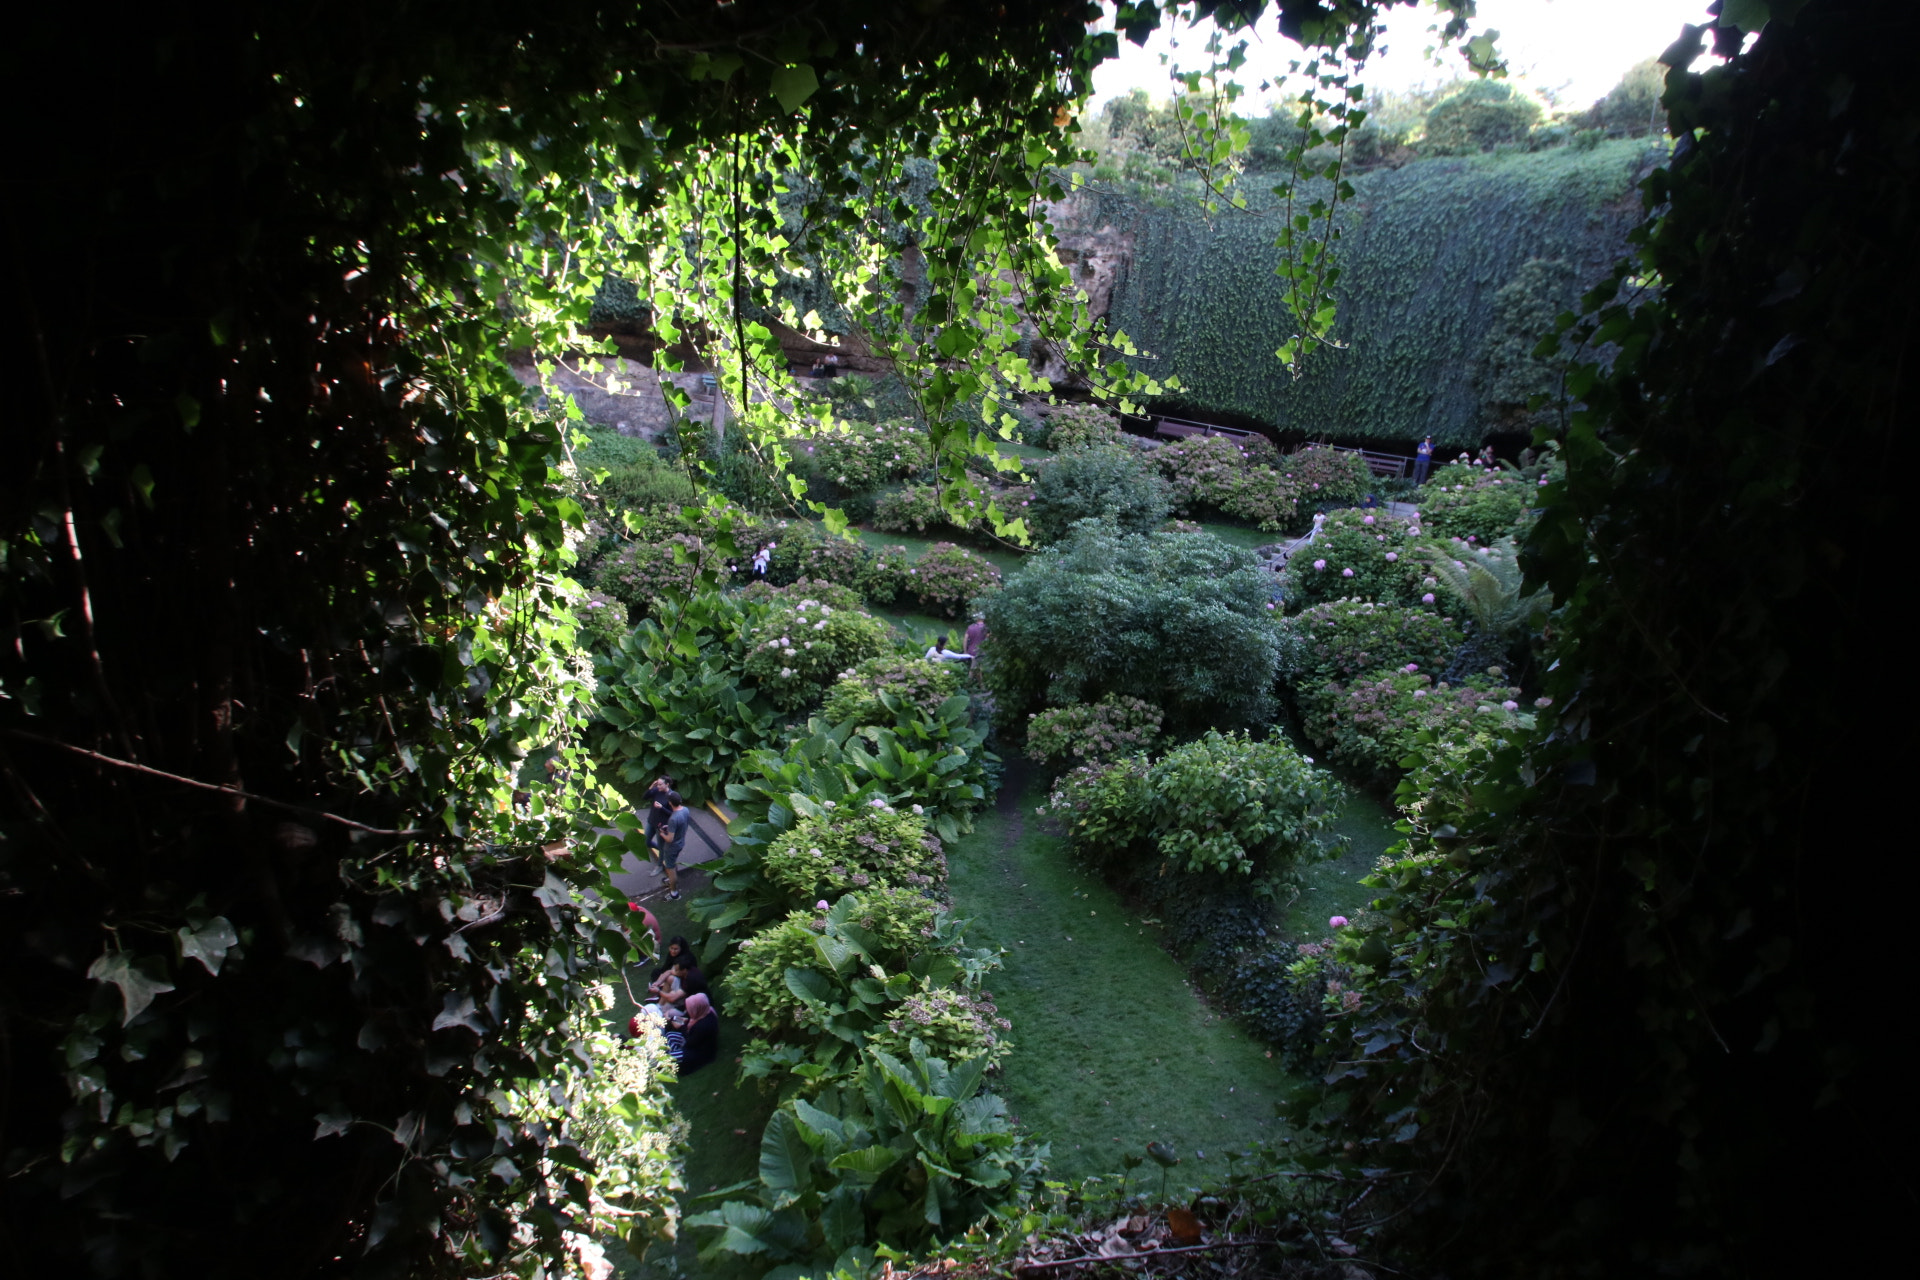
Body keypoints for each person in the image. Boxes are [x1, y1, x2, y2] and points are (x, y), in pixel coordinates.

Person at [656, 791, 692, 899]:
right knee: (672, 863)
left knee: (670, 868)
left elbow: (669, 839)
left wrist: (661, 832)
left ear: (670, 803)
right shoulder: (685, 810)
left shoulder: (673, 818)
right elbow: (681, 824)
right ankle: (672, 880)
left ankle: (674, 893)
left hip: (672, 847)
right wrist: (669, 828)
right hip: (680, 842)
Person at [676, 992, 719, 1074]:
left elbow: (689, 1043)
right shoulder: (706, 1011)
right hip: (692, 1041)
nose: (688, 1010)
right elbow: (688, 1021)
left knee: (670, 1057)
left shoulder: (703, 1025)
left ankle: (675, 1057)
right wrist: (677, 1020)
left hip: (699, 1052)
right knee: (670, 1035)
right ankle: (676, 1052)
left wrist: (680, 1027)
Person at [641, 774, 674, 849]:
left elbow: (672, 813)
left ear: (667, 784)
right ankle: (663, 852)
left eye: (660, 784)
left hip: (661, 825)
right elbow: (644, 797)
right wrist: (652, 786)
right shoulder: (657, 790)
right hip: (652, 821)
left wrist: (661, 808)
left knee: (661, 845)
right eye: (657, 784)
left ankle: (664, 856)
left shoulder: (671, 796)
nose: (658, 786)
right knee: (646, 841)